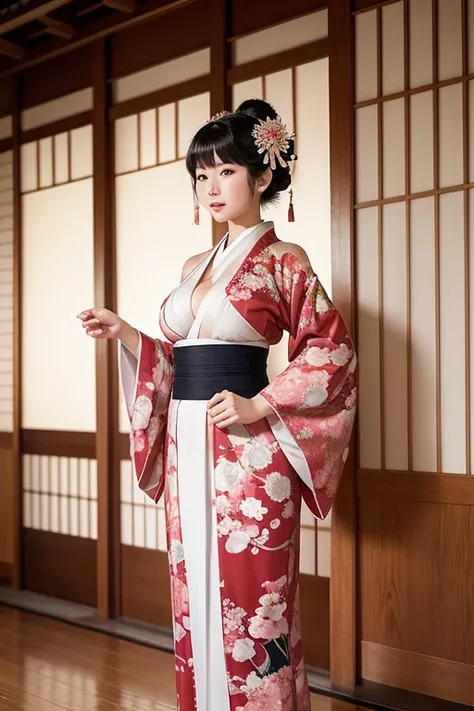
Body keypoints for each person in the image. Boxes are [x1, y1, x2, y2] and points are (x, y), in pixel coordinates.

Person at [77, 98, 357, 711]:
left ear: (262, 177)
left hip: (250, 453)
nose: (210, 186)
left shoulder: (286, 261)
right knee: (194, 584)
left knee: (256, 596)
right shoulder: (193, 265)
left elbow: (331, 353)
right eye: (201, 175)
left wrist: (261, 406)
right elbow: (177, 361)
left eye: (225, 171)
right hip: (186, 438)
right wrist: (125, 332)